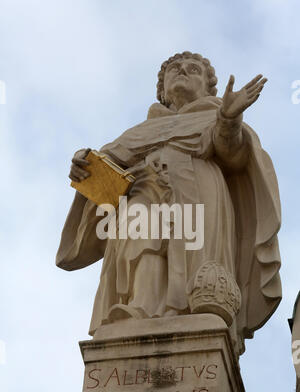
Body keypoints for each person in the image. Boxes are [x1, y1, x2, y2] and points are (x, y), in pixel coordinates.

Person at [56, 51, 281, 355]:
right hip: (143, 188)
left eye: (193, 69)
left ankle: (191, 314)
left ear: (209, 87)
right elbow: (107, 160)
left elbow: (235, 154)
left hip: (198, 190)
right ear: (161, 90)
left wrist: (228, 119)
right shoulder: (142, 130)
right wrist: (84, 164)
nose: (182, 72)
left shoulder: (216, 115)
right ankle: (140, 307)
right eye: (174, 69)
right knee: (139, 236)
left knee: (192, 251)